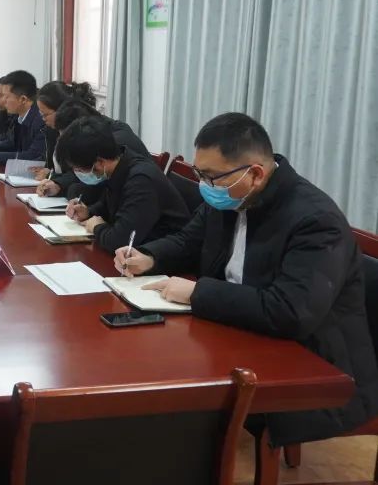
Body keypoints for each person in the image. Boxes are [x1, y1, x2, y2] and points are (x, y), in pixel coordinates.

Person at [114, 113, 378, 446]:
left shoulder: (315, 220)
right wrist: (149, 257)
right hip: (241, 330)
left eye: (211, 177)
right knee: (150, 362)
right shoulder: (231, 195)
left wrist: (197, 293)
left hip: (315, 364)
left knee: (173, 389)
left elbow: (290, 311)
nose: (205, 186)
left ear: (254, 173)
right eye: (199, 174)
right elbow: (187, 241)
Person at [56, 117, 189, 252]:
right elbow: (109, 207)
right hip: (137, 252)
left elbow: (120, 241)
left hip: (162, 256)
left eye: (79, 169)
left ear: (100, 162)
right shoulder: (118, 165)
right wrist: (88, 212)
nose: (78, 174)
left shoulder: (141, 180)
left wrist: (97, 227)